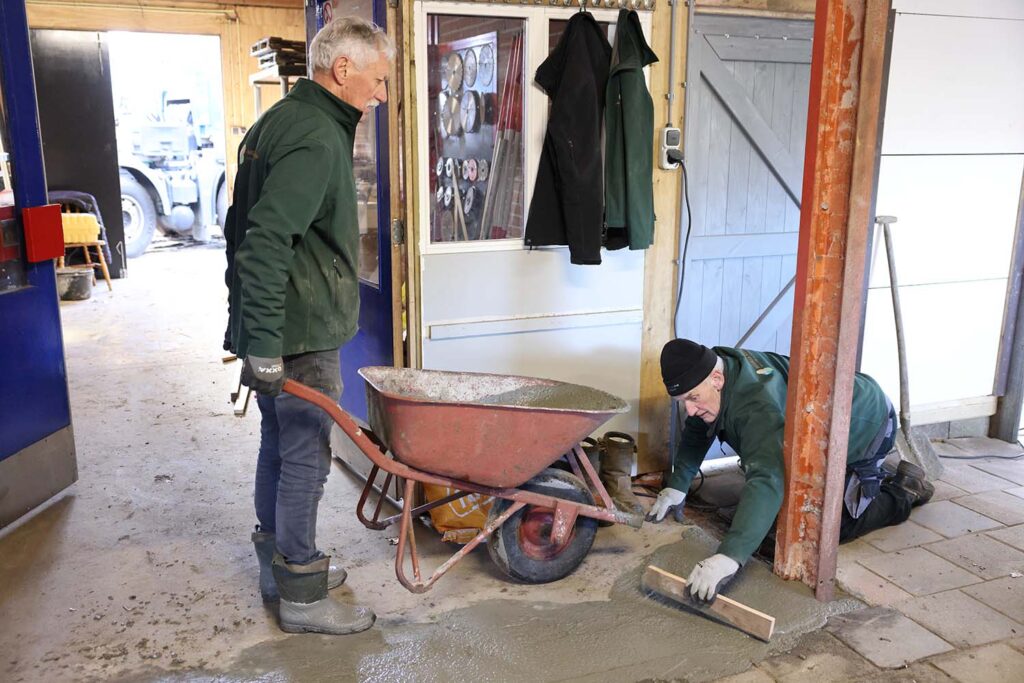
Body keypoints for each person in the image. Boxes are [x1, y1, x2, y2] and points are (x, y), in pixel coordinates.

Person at [223, 16, 393, 635]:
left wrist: (246, 327)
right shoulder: (318, 135)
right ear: (342, 69)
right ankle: (300, 590)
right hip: (299, 334)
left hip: (281, 325)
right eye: (377, 81)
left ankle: (280, 563)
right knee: (305, 457)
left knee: (278, 442)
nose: (381, 95)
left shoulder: (281, 118)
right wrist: (264, 341)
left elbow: (235, 228)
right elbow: (263, 240)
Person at [647, 339, 934, 603]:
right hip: (821, 420)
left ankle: (903, 490)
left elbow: (767, 479)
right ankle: (869, 480)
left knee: (825, 529)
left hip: (866, 424)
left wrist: (728, 557)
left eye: (693, 398)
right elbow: (698, 430)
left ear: (717, 379)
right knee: (770, 518)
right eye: (683, 401)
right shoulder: (713, 371)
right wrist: (678, 485)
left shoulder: (757, 406)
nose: (691, 410)